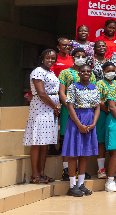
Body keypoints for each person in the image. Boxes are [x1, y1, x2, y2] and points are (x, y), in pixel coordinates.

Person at [58, 48, 97, 181]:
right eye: (77, 56)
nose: (80, 58)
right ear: (72, 57)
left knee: (84, 151)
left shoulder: (92, 84)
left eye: (83, 56)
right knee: (70, 144)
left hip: (88, 115)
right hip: (71, 110)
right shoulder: (66, 74)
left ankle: (80, 181)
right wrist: (70, 105)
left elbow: (96, 104)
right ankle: (67, 172)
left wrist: (93, 123)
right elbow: (63, 93)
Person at [62, 64, 101, 196]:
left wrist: (94, 123)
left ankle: (81, 184)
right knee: (73, 154)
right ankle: (72, 185)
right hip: (76, 120)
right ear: (78, 73)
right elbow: (70, 106)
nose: (85, 73)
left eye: (88, 71)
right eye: (83, 71)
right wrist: (78, 124)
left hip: (90, 120)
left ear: (91, 73)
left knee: (84, 154)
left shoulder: (95, 88)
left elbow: (97, 107)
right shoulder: (73, 87)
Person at [24, 49, 60, 184]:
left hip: (50, 109)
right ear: (42, 58)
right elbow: (41, 93)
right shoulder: (38, 71)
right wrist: (55, 106)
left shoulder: (50, 72)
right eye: (47, 57)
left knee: (45, 143)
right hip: (40, 109)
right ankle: (34, 175)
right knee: (37, 141)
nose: (50, 60)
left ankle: (42, 173)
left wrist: (56, 106)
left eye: (53, 58)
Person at [95, 62, 116, 179]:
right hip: (103, 114)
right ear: (103, 72)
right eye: (108, 71)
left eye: (113, 71)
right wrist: (109, 111)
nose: (111, 73)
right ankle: (101, 169)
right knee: (102, 141)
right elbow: (99, 100)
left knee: (114, 140)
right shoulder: (99, 84)